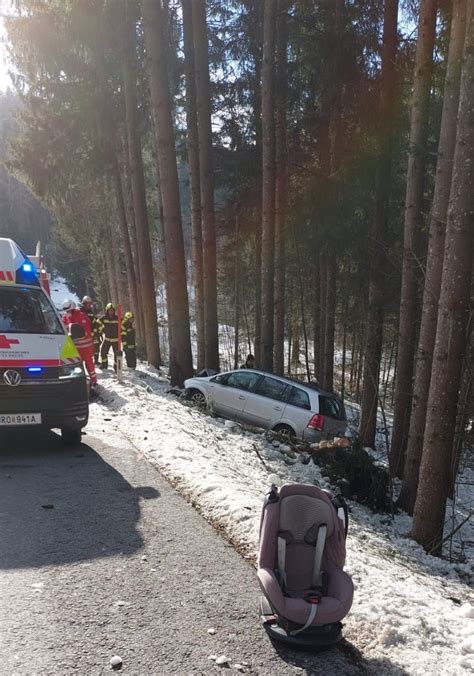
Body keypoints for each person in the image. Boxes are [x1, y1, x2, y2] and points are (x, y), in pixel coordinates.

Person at [62, 299, 98, 388]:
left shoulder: (81, 316)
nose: (68, 312)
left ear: (73, 309)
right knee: (74, 366)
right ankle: (78, 382)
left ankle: (94, 381)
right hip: (73, 347)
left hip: (85, 347)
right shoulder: (65, 317)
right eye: (66, 311)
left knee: (89, 364)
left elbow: (85, 332)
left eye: (69, 311)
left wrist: (73, 334)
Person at [80, 295, 101, 366]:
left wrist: (96, 330)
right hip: (83, 334)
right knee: (84, 348)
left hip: (92, 333)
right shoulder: (80, 311)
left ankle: (96, 360)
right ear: (84, 303)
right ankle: (82, 362)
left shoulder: (91, 312)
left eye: (90, 303)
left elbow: (94, 322)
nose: (89, 305)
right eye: (87, 303)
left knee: (96, 345)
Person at [98, 302, 119, 371]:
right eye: (110, 311)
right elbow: (97, 323)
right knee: (103, 352)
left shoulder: (117, 318)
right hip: (107, 339)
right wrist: (101, 329)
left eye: (112, 311)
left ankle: (116, 367)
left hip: (115, 340)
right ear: (107, 311)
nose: (111, 312)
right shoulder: (104, 318)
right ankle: (104, 365)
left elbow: (123, 325)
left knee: (117, 354)